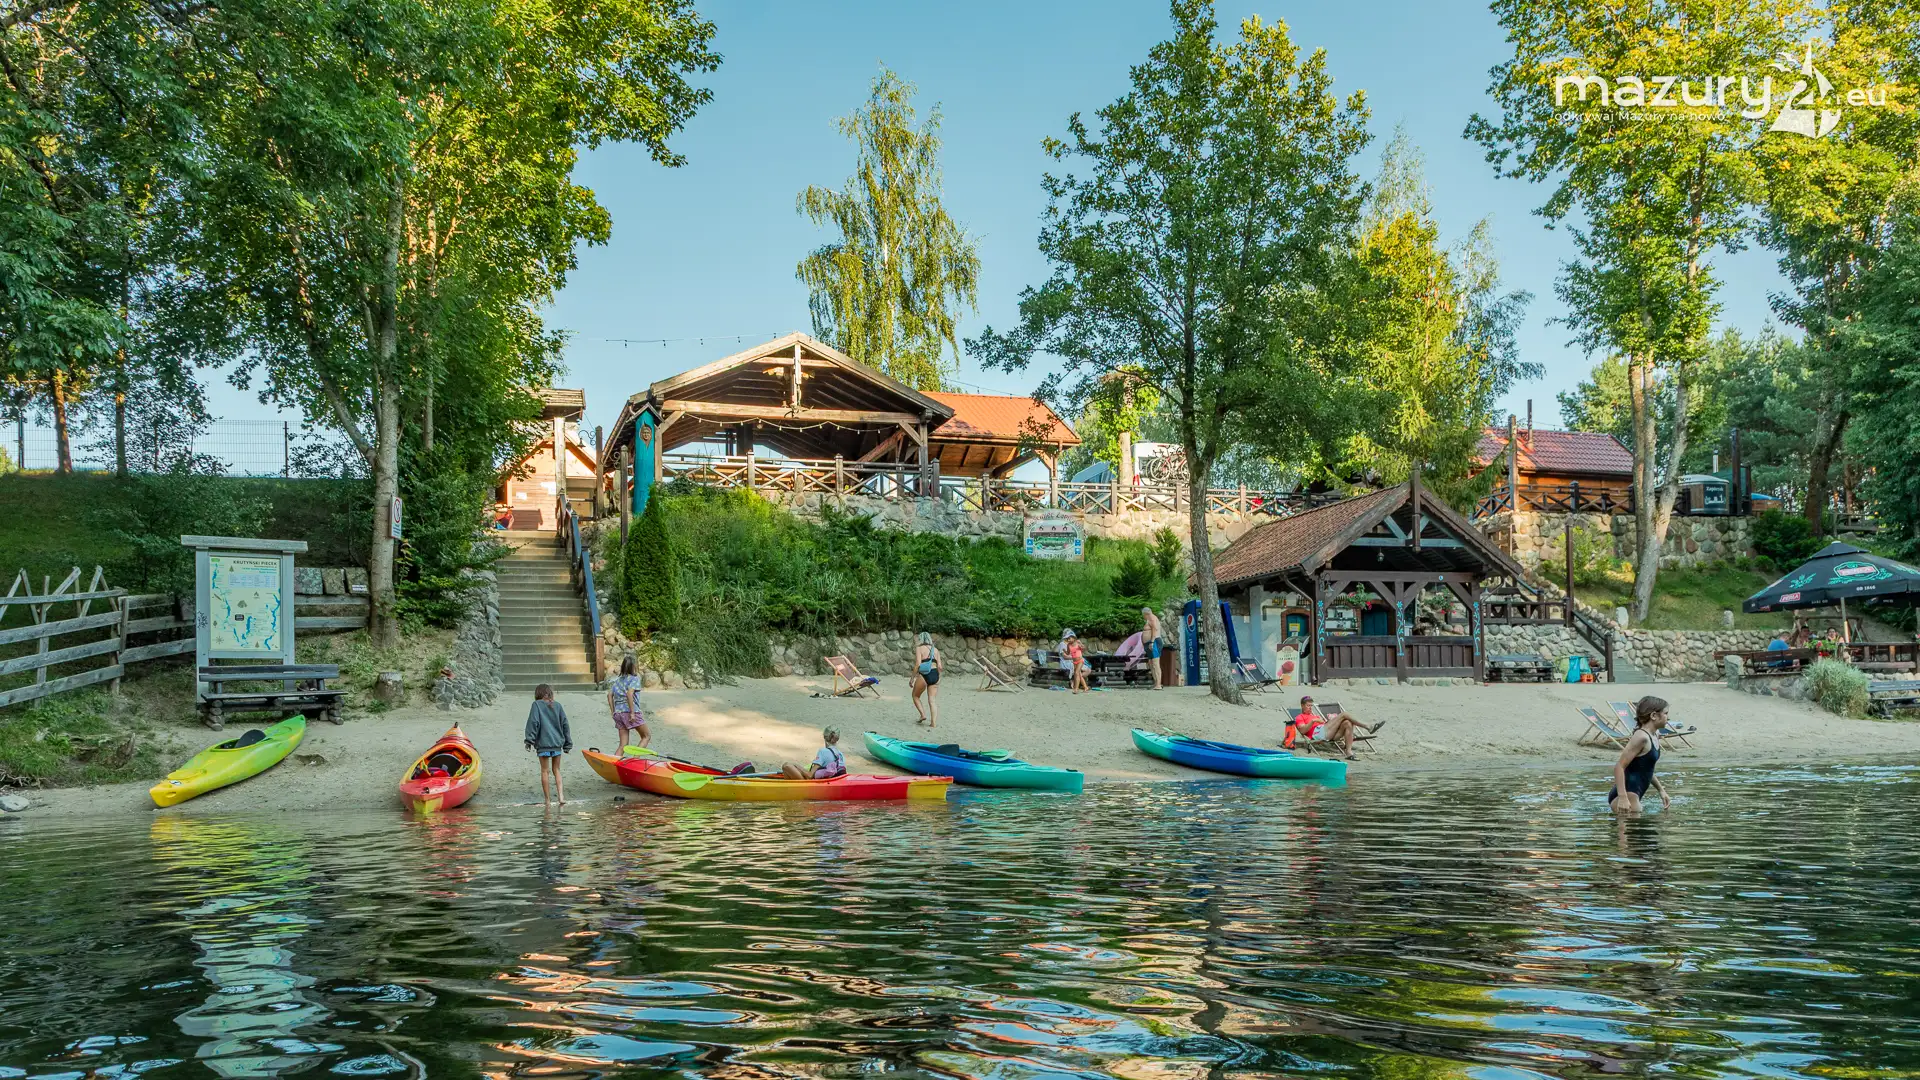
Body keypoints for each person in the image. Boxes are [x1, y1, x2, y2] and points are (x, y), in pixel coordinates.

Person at [1609, 695, 1672, 813]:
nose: (1668, 717)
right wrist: (1623, 797)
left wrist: (1661, 790)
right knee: (1633, 824)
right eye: (1666, 713)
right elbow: (1619, 767)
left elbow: (1645, 769)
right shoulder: (1641, 737)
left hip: (1633, 794)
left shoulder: (1655, 735)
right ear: (1654, 716)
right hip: (1626, 795)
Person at [1283, 694, 1384, 760]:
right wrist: (1313, 721)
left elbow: (1325, 724)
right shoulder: (1299, 717)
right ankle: (1368, 727)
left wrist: (1327, 721)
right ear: (1302, 706)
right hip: (1318, 734)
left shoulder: (1315, 716)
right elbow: (1302, 730)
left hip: (1328, 732)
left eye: (1311, 706)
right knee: (1344, 714)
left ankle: (1349, 752)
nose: (1310, 708)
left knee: (1348, 723)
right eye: (1308, 706)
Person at [524, 683, 572, 805]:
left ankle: (547, 800)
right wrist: (567, 744)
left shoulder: (536, 705)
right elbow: (565, 725)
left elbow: (533, 722)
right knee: (557, 770)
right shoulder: (558, 706)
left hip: (543, 744)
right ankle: (561, 797)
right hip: (557, 743)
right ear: (550, 693)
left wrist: (529, 740)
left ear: (538, 694)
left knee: (545, 771)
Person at [606, 655, 647, 751]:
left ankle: (615, 760)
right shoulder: (634, 679)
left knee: (623, 745)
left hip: (618, 713)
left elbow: (609, 695)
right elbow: (629, 693)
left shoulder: (618, 680)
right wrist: (632, 713)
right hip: (631, 712)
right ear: (634, 666)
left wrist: (613, 712)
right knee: (646, 736)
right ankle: (635, 758)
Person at [781, 726, 847, 780]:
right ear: (837, 739)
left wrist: (796, 765)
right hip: (831, 781)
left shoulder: (823, 752)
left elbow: (809, 776)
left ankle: (788, 789)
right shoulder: (840, 755)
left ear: (824, 737)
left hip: (812, 785)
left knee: (786, 766)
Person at [911, 632, 943, 727]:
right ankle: (933, 723)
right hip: (935, 675)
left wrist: (912, 678)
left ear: (920, 639)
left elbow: (918, 664)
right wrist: (938, 677)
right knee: (932, 700)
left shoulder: (919, 648)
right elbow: (940, 666)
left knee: (915, 696)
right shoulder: (935, 650)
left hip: (924, 675)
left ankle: (923, 715)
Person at [1141, 607, 1165, 689]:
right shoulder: (1149, 619)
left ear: (1145, 614)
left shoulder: (1152, 618)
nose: (1143, 617)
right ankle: (1156, 683)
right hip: (1149, 643)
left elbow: (1154, 629)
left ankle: (1158, 684)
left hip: (1154, 642)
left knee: (1155, 663)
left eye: (1143, 615)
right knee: (1151, 663)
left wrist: (1151, 642)